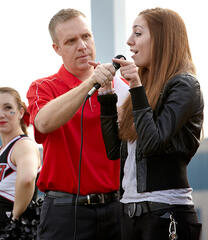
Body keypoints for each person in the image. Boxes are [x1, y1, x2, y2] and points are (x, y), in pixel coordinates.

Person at [98, 7, 203, 240]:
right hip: (128, 213)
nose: (129, 41)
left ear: (162, 39)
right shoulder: (143, 90)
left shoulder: (184, 86)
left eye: (137, 33)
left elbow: (153, 142)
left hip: (165, 214)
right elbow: (114, 151)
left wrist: (135, 87)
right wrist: (107, 98)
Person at [26, 8, 122, 240]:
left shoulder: (122, 83)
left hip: (117, 208)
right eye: (71, 41)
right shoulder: (43, 87)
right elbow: (44, 122)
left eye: (86, 36)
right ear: (56, 49)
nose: (82, 45)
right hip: (65, 211)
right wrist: (91, 82)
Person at [0, 87, 41, 240]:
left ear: (20, 112)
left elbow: (27, 179)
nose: (0, 114)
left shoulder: (24, 145)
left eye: (8, 108)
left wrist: (15, 218)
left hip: (16, 235)